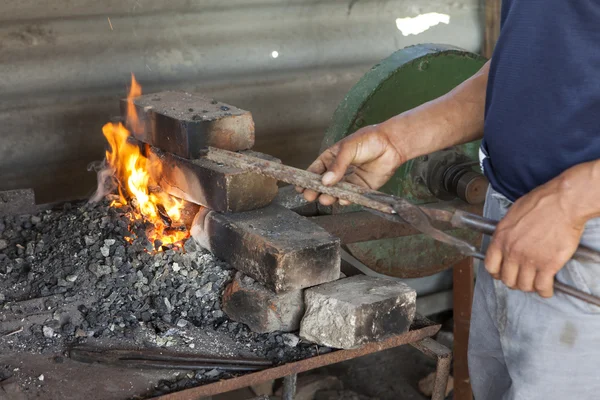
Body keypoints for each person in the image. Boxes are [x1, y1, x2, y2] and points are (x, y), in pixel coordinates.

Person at [298, 1, 600, 399]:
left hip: (579, 232)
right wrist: (396, 139)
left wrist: (571, 201)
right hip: (514, 217)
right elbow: (532, 72)